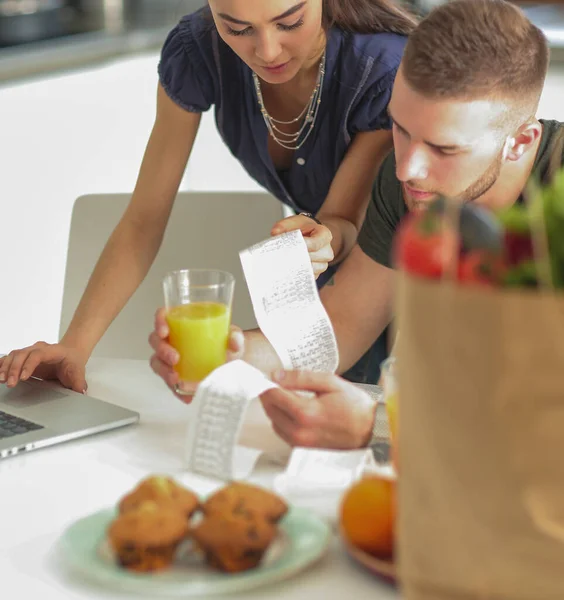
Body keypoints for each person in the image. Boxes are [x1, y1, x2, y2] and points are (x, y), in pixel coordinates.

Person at [149, 0, 563, 450]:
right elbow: (340, 326)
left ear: (520, 142)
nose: (408, 169)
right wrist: (227, 357)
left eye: (444, 149)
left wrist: (376, 431)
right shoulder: (411, 186)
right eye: (401, 130)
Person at [0, 0, 417, 392]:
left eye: (289, 23)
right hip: (326, 291)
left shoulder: (383, 70)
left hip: (400, 281)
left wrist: (324, 239)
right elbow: (144, 218)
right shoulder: (200, 51)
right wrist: (75, 345)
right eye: (237, 29)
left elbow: (345, 223)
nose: (267, 51)